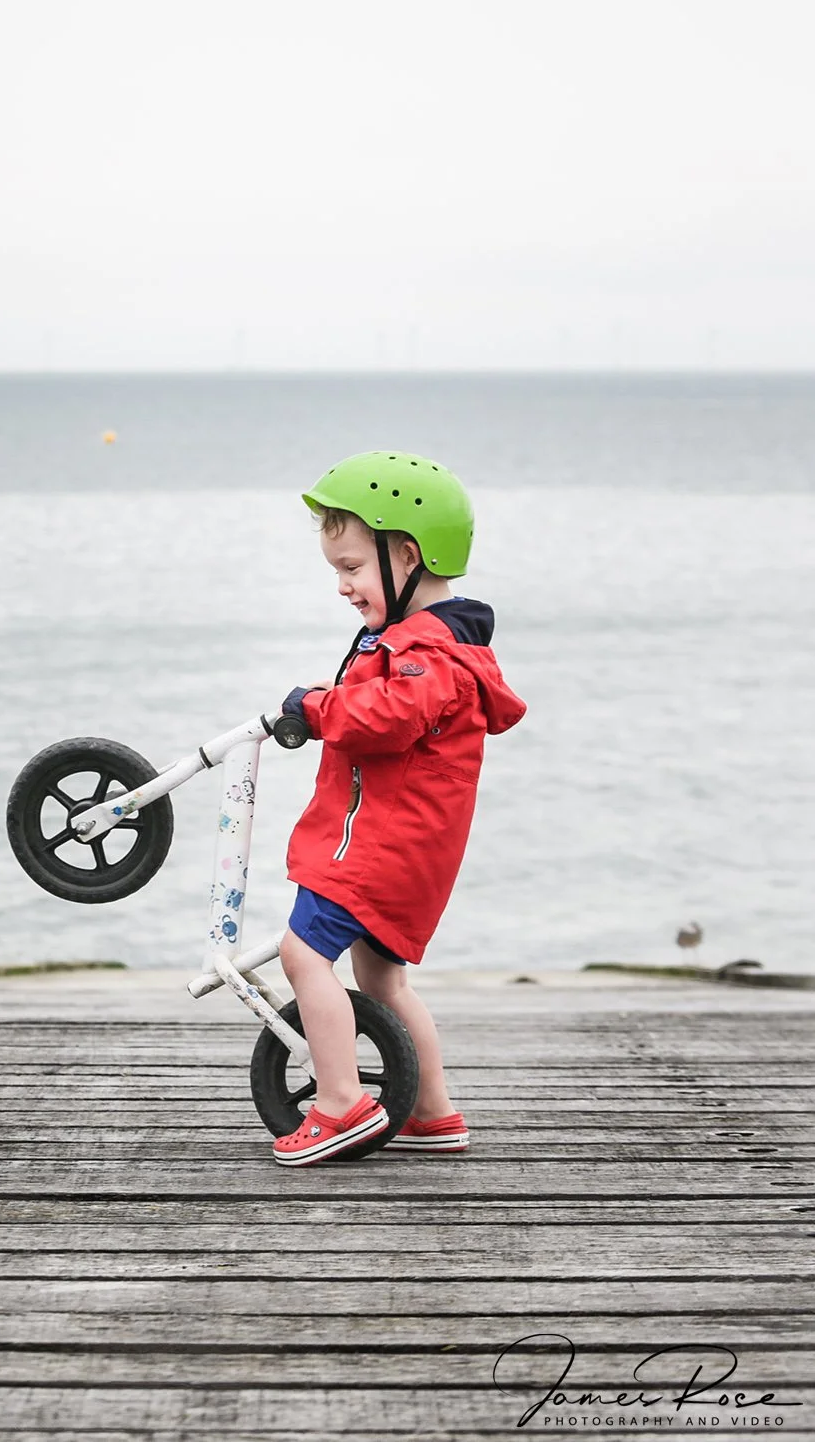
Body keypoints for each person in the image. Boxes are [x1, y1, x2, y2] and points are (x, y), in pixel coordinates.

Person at [270, 450, 527, 1167]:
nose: (344, 587)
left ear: (407, 556)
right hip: (409, 851)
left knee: (302, 954)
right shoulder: (432, 646)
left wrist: (318, 707)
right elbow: (388, 701)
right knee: (381, 979)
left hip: (376, 849)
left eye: (351, 568)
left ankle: (340, 1102)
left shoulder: (428, 652)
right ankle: (430, 1112)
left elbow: (386, 716)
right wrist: (339, 697)